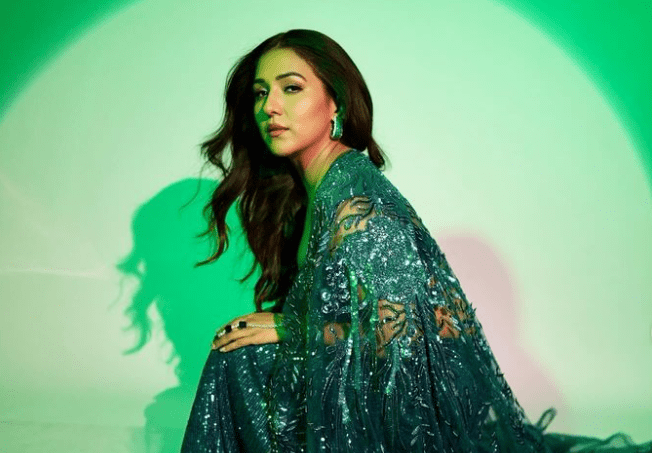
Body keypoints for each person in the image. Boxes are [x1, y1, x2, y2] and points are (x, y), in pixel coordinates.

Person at [180, 29, 652, 453]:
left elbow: (405, 334)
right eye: (261, 93)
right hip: (365, 383)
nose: (269, 107)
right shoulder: (314, 191)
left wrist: (292, 328)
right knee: (241, 355)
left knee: (240, 359)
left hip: (409, 411)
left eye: (291, 88)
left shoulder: (356, 201)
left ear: (335, 104)